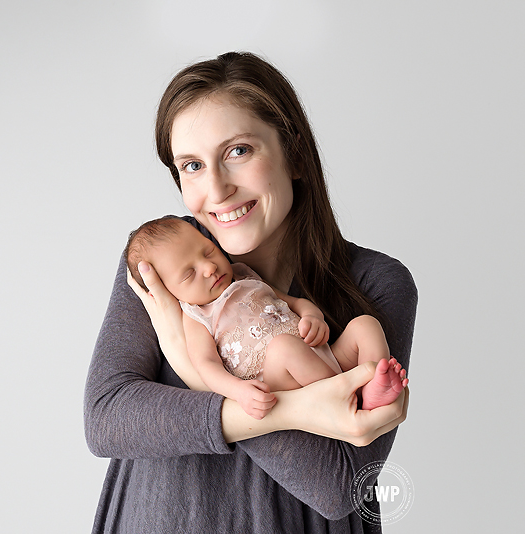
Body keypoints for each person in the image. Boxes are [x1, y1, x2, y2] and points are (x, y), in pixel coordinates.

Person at [84, 51, 417, 532]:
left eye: (238, 151)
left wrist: (189, 369)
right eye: (192, 165)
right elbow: (107, 418)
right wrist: (295, 409)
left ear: (295, 155)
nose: (216, 189)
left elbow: (339, 487)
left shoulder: (376, 281)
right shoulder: (164, 259)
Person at [125, 216, 409, 417]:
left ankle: (374, 384)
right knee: (284, 348)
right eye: (189, 274)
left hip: (321, 355)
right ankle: (343, 397)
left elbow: (295, 302)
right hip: (280, 378)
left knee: (365, 325)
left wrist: (313, 317)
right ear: (169, 291)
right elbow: (206, 366)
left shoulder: (244, 274)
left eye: (208, 251)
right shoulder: (197, 315)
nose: (209, 268)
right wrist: (239, 393)